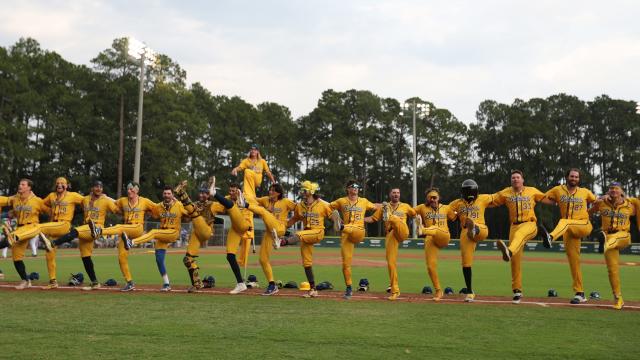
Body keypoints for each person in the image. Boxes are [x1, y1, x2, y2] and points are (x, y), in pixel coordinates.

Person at [539, 168, 597, 304]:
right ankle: (580, 293)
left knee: (564, 221)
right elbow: (542, 198)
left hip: (583, 225)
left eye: (576, 177)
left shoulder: (585, 192)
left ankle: (550, 237)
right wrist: (551, 202)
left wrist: (590, 211)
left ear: (579, 179)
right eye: (572, 176)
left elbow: (598, 202)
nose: (574, 179)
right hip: (568, 232)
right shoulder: (558, 190)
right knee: (574, 262)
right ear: (567, 177)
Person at [50, 180, 118, 290]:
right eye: (96, 186)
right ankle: (95, 282)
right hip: (86, 230)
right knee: (86, 258)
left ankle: (53, 243)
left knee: (75, 232)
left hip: (97, 227)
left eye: (101, 187)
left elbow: (117, 208)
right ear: (92, 188)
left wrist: (109, 198)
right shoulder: (85, 199)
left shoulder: (105, 200)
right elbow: (71, 200)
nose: (99, 188)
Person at [91, 181, 156, 291]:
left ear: (137, 190)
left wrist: (171, 201)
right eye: (128, 189)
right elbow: (115, 202)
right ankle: (130, 282)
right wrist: (105, 197)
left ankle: (99, 231)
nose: (129, 191)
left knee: (119, 227)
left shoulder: (144, 201)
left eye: (131, 189)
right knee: (121, 258)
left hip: (137, 228)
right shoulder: (123, 200)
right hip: (125, 233)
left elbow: (157, 207)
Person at [492, 170, 546, 304]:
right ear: (511, 181)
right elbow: (491, 199)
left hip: (530, 224)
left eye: (518, 177)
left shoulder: (532, 191)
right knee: (515, 261)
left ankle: (508, 251)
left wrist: (559, 199)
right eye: (513, 178)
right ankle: (517, 291)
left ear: (523, 180)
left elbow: (548, 199)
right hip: (514, 226)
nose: (515, 179)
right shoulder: (506, 193)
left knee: (520, 236)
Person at [122, 186, 188, 291]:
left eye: (169, 193)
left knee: (153, 232)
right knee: (159, 260)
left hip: (173, 232)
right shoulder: (159, 206)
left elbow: (189, 213)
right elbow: (152, 212)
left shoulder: (179, 205)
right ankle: (167, 284)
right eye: (165, 193)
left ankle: (132, 242)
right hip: (162, 234)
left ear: (172, 195)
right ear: (163, 195)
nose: (167, 195)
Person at [27, 177, 85, 289]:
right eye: (57, 183)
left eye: (62, 183)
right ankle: (53, 281)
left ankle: (28, 235)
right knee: (49, 254)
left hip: (64, 225)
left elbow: (86, 201)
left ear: (66, 186)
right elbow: (40, 204)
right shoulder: (51, 196)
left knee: (37, 227)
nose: (59, 185)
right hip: (53, 226)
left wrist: (102, 199)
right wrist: (33, 198)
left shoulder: (73, 195)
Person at [589, 182, 636, 310]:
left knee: (614, 237)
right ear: (608, 191)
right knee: (612, 270)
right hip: (607, 238)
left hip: (623, 236)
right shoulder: (602, 203)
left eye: (616, 188)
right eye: (611, 188)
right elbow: (589, 212)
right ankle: (618, 298)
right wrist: (597, 200)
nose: (613, 190)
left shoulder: (630, 205)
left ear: (621, 191)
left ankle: (604, 242)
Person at [447, 179, 495, 302]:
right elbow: (446, 210)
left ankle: (474, 228)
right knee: (466, 262)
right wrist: (455, 216)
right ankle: (469, 291)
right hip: (466, 232)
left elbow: (498, 198)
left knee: (482, 230)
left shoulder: (483, 198)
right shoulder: (457, 203)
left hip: (480, 227)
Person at [330, 180, 379, 299]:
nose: (355, 188)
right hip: (346, 234)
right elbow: (326, 208)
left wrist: (371, 218)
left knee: (353, 227)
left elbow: (377, 207)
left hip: (359, 231)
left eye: (357, 186)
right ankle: (349, 288)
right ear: (347, 189)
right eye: (352, 186)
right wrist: (333, 217)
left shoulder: (364, 201)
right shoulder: (341, 201)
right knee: (346, 264)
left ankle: (341, 227)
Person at [365, 188, 416, 301]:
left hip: (402, 231)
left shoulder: (405, 206)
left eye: (398, 192)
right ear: (390, 195)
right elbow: (373, 218)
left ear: (400, 195)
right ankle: (395, 291)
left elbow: (415, 214)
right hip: (391, 234)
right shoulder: (384, 207)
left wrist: (421, 224)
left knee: (397, 221)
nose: (396, 194)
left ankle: (391, 217)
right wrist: (359, 220)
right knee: (391, 262)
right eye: (394, 192)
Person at [244, 183, 296, 295]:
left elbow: (299, 209)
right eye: (270, 190)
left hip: (280, 228)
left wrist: (290, 222)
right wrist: (243, 194)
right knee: (262, 259)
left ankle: (278, 238)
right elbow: (254, 199)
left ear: (279, 193)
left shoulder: (285, 201)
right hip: (270, 233)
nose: (270, 192)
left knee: (263, 211)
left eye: (273, 190)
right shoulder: (265, 200)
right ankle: (272, 285)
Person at [286, 181, 333, 298]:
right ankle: (313, 290)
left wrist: (339, 223)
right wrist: (282, 227)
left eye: (305, 190)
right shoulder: (300, 206)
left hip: (318, 231)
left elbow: (333, 217)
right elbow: (295, 218)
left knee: (299, 234)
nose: (302, 192)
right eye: (302, 190)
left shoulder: (322, 204)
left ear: (311, 191)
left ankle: (283, 242)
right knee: (307, 263)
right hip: (306, 234)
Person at [0, 179, 48, 289]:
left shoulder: (37, 200)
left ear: (29, 187)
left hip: (32, 226)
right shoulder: (15, 198)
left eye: (23, 184)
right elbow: (5, 200)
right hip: (20, 228)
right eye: (20, 184)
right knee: (16, 257)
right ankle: (26, 281)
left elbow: (49, 210)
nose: (20, 185)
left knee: (11, 238)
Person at [173, 178, 216, 293]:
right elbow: (187, 217)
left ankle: (181, 192)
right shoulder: (195, 204)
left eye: (204, 193)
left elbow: (225, 207)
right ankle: (197, 284)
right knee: (187, 259)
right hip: (196, 232)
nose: (201, 195)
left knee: (194, 212)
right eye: (200, 192)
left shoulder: (212, 204)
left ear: (208, 195)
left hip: (206, 230)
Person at [209, 182, 252, 294]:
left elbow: (256, 207)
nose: (231, 193)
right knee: (230, 256)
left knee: (231, 206)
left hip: (244, 225)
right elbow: (215, 206)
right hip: (235, 228)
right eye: (230, 191)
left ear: (238, 190)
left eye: (234, 191)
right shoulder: (227, 199)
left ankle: (214, 193)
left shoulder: (246, 198)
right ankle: (241, 284)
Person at [414, 188, 455, 301]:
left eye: (434, 197)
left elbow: (455, 217)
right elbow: (409, 211)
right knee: (430, 266)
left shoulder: (446, 208)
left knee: (435, 228)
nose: (432, 200)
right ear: (427, 199)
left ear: (439, 198)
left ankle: (422, 230)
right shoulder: (422, 207)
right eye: (430, 198)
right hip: (431, 238)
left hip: (444, 236)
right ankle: (438, 291)